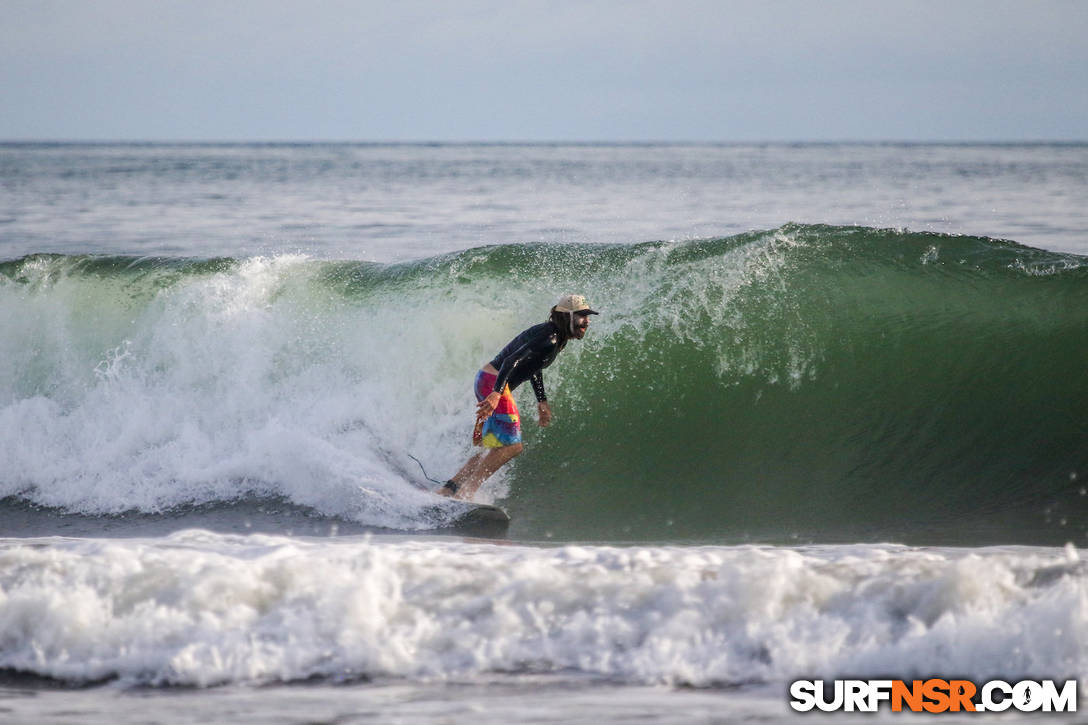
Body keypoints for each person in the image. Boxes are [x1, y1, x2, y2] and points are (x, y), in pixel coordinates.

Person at [439, 294, 599, 500]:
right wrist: (496, 393)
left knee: (494, 445)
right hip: (493, 383)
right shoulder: (549, 338)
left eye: (588, 316)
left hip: (487, 379)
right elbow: (511, 361)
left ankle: (450, 488)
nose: (587, 321)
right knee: (512, 446)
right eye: (582, 316)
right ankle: (467, 492)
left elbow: (534, 365)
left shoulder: (554, 336)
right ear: (567, 316)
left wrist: (542, 401)